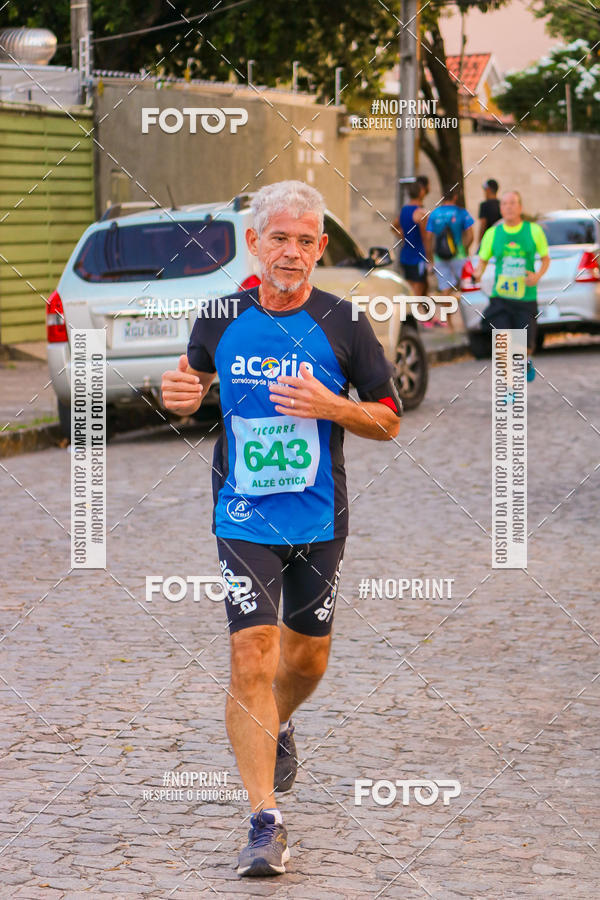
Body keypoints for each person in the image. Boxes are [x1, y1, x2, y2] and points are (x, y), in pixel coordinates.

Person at [161, 180, 402, 878]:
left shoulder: (344, 323)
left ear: (321, 248)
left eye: (305, 240)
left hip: (320, 514)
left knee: (305, 662)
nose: (291, 252)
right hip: (242, 511)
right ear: (254, 244)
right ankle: (265, 820)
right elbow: (192, 384)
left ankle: (281, 722)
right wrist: (179, 397)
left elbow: (388, 418)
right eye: (279, 238)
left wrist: (334, 405)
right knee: (251, 657)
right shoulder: (216, 317)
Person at [474, 190, 550, 380]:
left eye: (513, 203)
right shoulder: (493, 233)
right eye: (505, 204)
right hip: (501, 299)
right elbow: (482, 261)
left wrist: (538, 275)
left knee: (524, 347)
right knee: (503, 343)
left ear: (520, 207)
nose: (508, 207)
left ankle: (524, 362)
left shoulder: (533, 231)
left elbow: (546, 259)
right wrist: (477, 273)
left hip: (525, 298)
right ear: (500, 208)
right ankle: (508, 388)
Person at [426, 185, 474, 330]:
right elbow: (471, 235)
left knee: (445, 289)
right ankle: (468, 321)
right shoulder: (461, 213)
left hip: (440, 257)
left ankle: (449, 323)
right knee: (466, 286)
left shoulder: (434, 214)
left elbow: (428, 237)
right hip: (458, 255)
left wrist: (431, 257)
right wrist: (464, 249)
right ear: (455, 197)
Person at [393, 180, 429, 296]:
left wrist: (403, 236)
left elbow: (393, 227)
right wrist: (430, 258)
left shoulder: (404, 210)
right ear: (421, 193)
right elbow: (426, 238)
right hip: (418, 257)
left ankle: (426, 314)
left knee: (412, 290)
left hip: (405, 255)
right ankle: (413, 314)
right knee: (417, 292)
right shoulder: (421, 213)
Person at [477, 178, 501, 246]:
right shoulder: (502, 204)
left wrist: (479, 243)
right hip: (500, 238)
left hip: (488, 241)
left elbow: (483, 225)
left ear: (488, 190)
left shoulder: (484, 205)